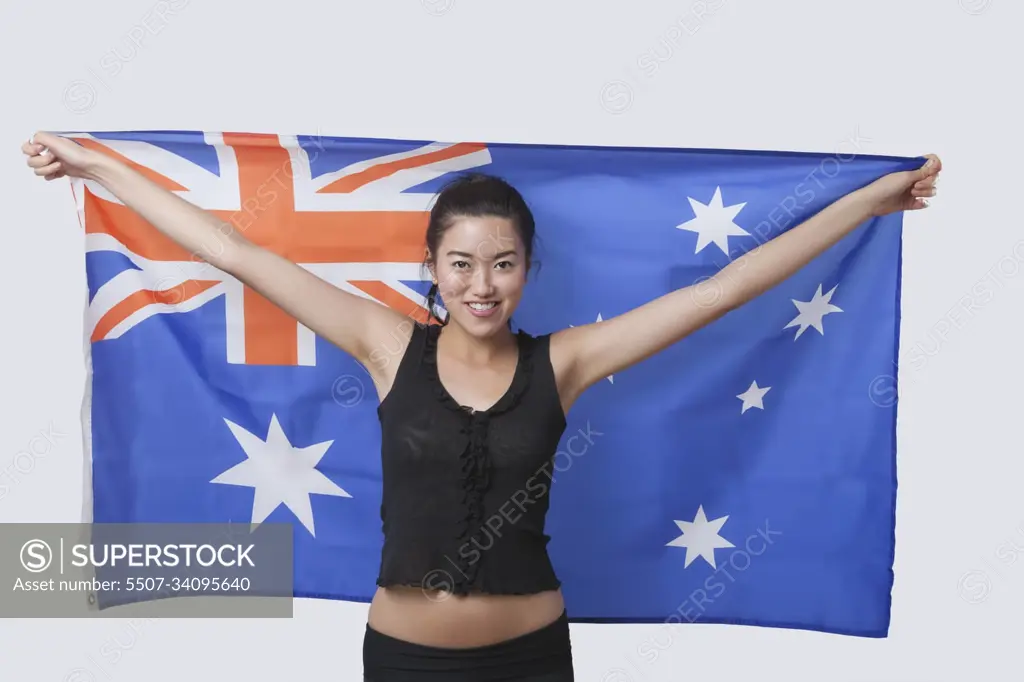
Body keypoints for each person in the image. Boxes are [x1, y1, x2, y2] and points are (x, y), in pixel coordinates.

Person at [22, 132, 940, 681]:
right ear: (433, 271)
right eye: (461, 264)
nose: (482, 283)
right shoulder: (385, 344)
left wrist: (872, 202)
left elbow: (723, 290)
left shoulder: (567, 360)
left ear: (528, 271)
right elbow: (236, 252)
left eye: (502, 263)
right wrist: (93, 168)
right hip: (404, 660)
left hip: (531, 660)